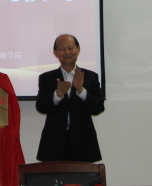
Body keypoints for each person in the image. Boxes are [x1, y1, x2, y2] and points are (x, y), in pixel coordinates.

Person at [35, 34, 105, 162]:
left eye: (70, 48)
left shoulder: (90, 77)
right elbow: (41, 107)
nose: (67, 52)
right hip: (54, 143)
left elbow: (98, 108)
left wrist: (81, 90)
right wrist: (58, 94)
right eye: (62, 49)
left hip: (84, 143)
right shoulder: (46, 78)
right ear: (55, 53)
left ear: (78, 49)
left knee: (83, 176)